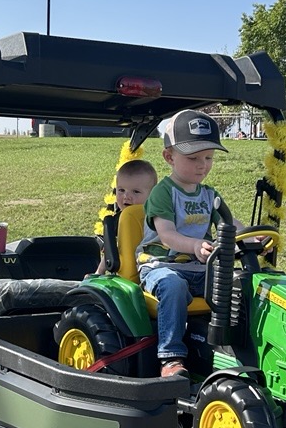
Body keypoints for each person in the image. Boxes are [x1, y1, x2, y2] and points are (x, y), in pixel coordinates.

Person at [136, 110, 246, 378]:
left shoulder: (210, 194)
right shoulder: (164, 192)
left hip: (199, 268)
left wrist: (254, 237)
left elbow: (231, 226)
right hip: (161, 265)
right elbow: (167, 236)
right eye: (194, 158)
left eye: (208, 158)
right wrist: (196, 245)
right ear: (169, 157)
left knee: (243, 284)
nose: (203, 165)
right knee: (174, 285)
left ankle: (238, 349)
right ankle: (171, 357)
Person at [93, 159, 158, 275]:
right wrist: (99, 272)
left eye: (136, 192)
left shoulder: (156, 218)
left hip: (151, 269)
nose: (126, 196)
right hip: (127, 273)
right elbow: (113, 249)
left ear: (153, 194)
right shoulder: (120, 219)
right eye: (121, 190)